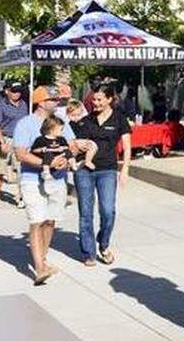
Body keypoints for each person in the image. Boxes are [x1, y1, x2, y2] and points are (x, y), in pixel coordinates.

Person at [14, 86, 81, 285]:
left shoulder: (61, 123)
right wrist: (47, 163)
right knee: (37, 221)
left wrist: (65, 158)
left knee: (50, 221)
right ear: (41, 102)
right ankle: (40, 268)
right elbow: (21, 154)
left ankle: (42, 259)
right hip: (32, 180)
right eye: (53, 100)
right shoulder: (25, 124)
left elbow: (73, 146)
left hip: (57, 180)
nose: (57, 103)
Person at [73, 85, 131, 267]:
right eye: (93, 100)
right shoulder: (86, 120)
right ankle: (89, 252)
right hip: (85, 170)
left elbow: (127, 147)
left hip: (107, 170)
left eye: (99, 100)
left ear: (109, 99)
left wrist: (125, 170)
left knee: (108, 211)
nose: (95, 103)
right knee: (86, 213)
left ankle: (103, 244)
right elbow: (74, 145)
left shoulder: (119, 119)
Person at [0, 81, 29, 209]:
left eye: (19, 91)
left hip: (20, 139)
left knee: (21, 169)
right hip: (5, 137)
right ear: (7, 91)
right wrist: (2, 142)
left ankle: (21, 197)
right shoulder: (0, 105)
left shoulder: (24, 104)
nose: (17, 94)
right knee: (0, 170)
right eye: (14, 91)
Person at [29, 116, 90, 181]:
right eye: (61, 130)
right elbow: (34, 150)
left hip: (59, 155)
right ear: (51, 130)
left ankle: (74, 165)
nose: (62, 132)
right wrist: (44, 149)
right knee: (48, 154)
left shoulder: (61, 139)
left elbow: (66, 147)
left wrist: (62, 148)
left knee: (67, 151)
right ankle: (46, 172)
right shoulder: (41, 139)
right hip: (48, 157)